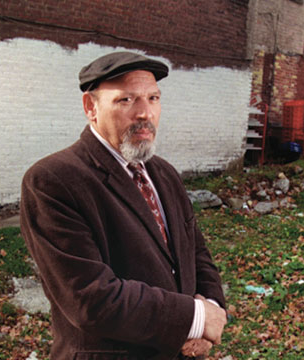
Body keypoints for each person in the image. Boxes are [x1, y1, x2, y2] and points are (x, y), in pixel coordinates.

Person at [20, 51, 227, 360]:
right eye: (126, 100)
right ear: (91, 107)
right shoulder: (54, 180)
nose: (145, 113)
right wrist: (194, 318)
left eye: (153, 98)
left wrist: (211, 308)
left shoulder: (164, 173)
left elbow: (197, 254)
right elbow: (91, 299)